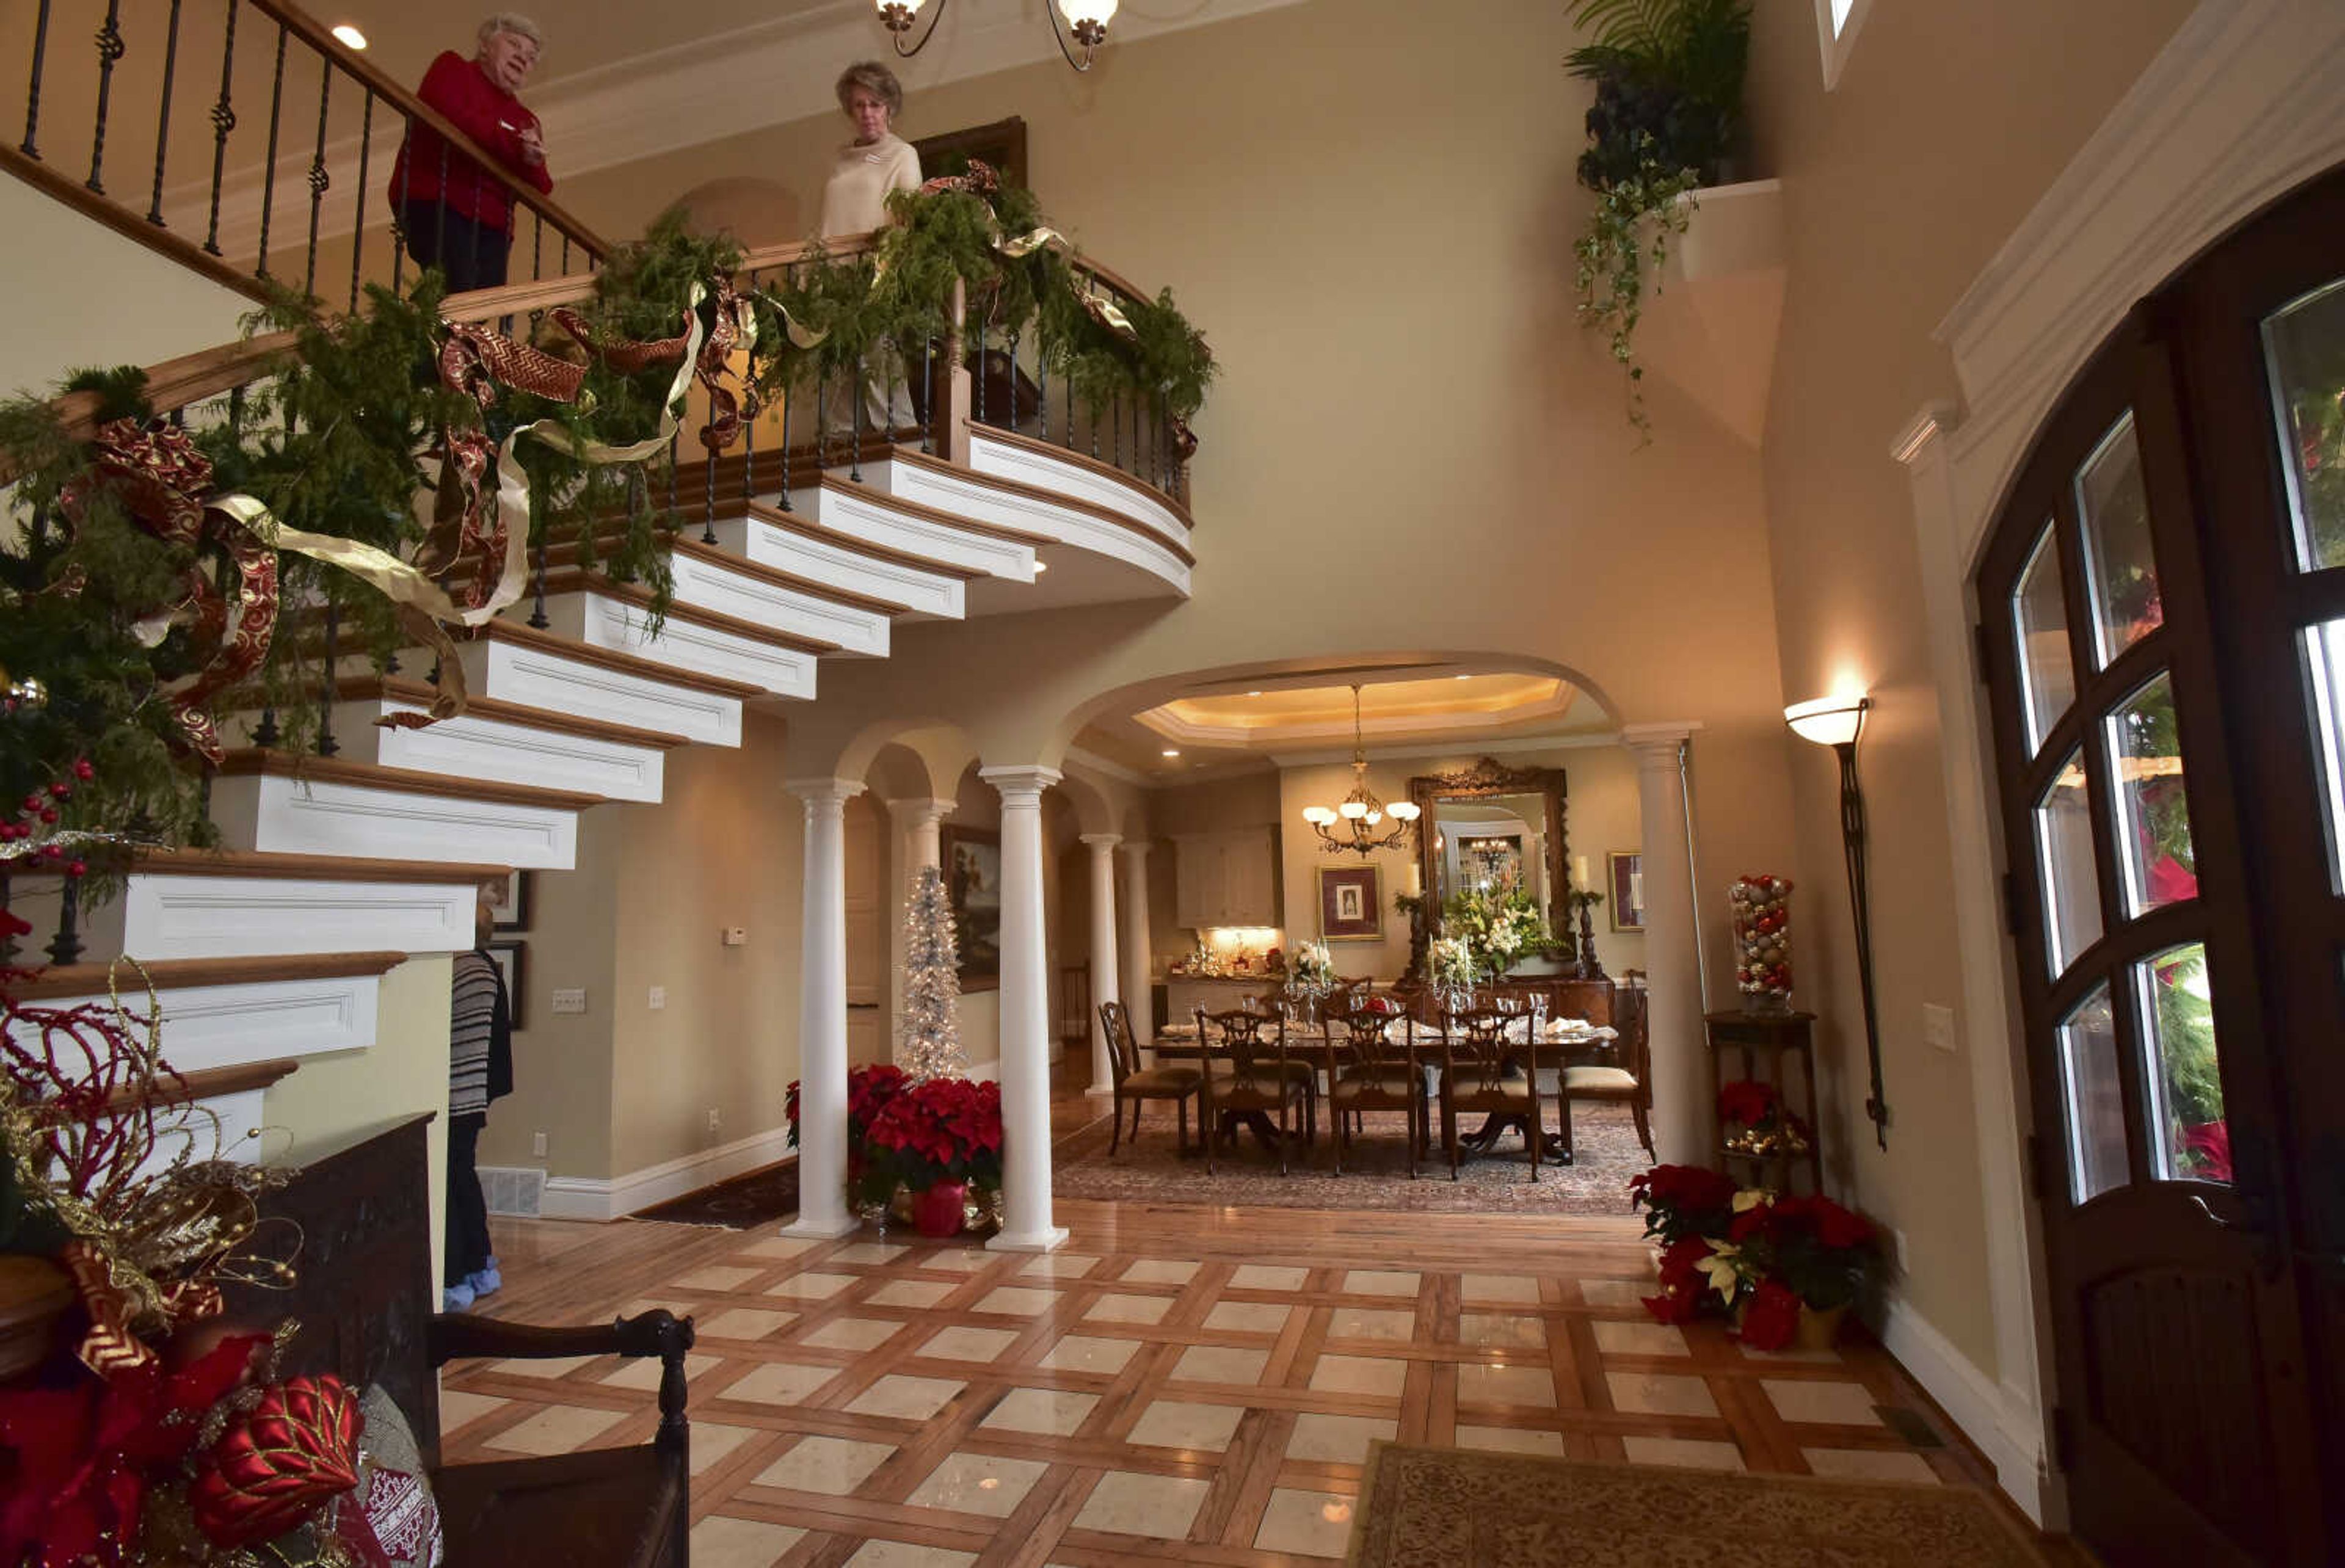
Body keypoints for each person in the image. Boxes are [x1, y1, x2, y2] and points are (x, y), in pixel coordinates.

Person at [388, 14, 553, 294]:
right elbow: (453, 116)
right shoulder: (453, 69)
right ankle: (418, 333)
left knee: (482, 300)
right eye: (514, 44)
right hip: (436, 199)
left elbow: (542, 186)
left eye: (531, 57)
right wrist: (512, 146)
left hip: (494, 224)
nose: (523, 58)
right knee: (456, 284)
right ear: (485, 45)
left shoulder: (525, 118)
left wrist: (531, 161)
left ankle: (435, 337)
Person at [819, 61, 922, 437]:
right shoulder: (839, 158)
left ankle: (903, 438)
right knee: (840, 368)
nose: (867, 113)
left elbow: (906, 217)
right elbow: (830, 216)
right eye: (860, 105)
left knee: (879, 361)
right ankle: (839, 440)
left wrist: (886, 273)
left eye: (875, 104)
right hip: (834, 276)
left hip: (876, 272)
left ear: (889, 108)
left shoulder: (901, 155)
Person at [445, 888, 514, 1312]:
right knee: (462, 1180)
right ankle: (477, 1265)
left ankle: (457, 1274)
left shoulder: (463, 970)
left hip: (456, 1095)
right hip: (467, 1095)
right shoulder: (484, 967)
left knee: (454, 1185)